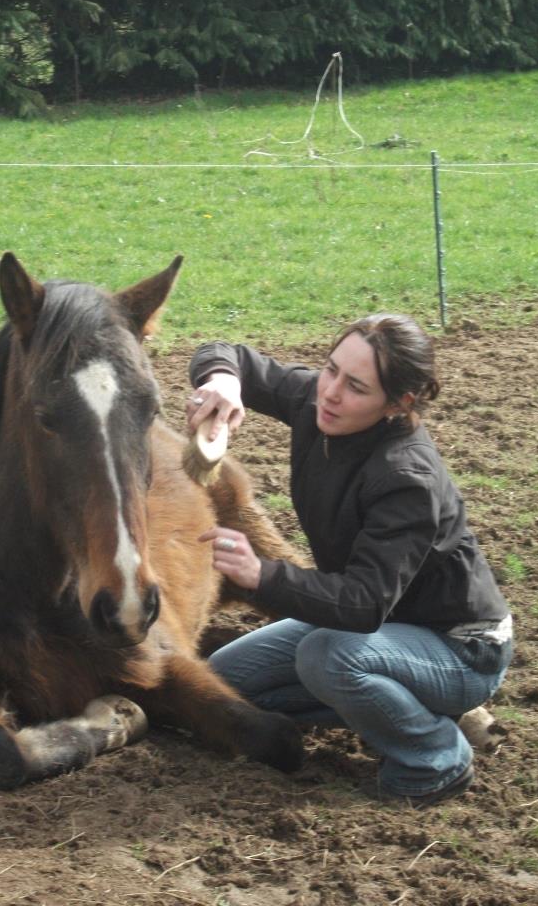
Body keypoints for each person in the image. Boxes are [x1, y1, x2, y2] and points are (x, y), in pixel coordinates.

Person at [186, 314, 512, 806]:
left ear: (398, 404)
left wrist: (261, 574)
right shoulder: (318, 400)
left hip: (460, 649)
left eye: (356, 386)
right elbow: (231, 354)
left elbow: (362, 604)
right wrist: (223, 382)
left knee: (326, 658)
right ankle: (412, 708)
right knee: (226, 681)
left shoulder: (405, 477)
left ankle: (435, 757)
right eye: (330, 369)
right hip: (381, 634)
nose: (331, 392)